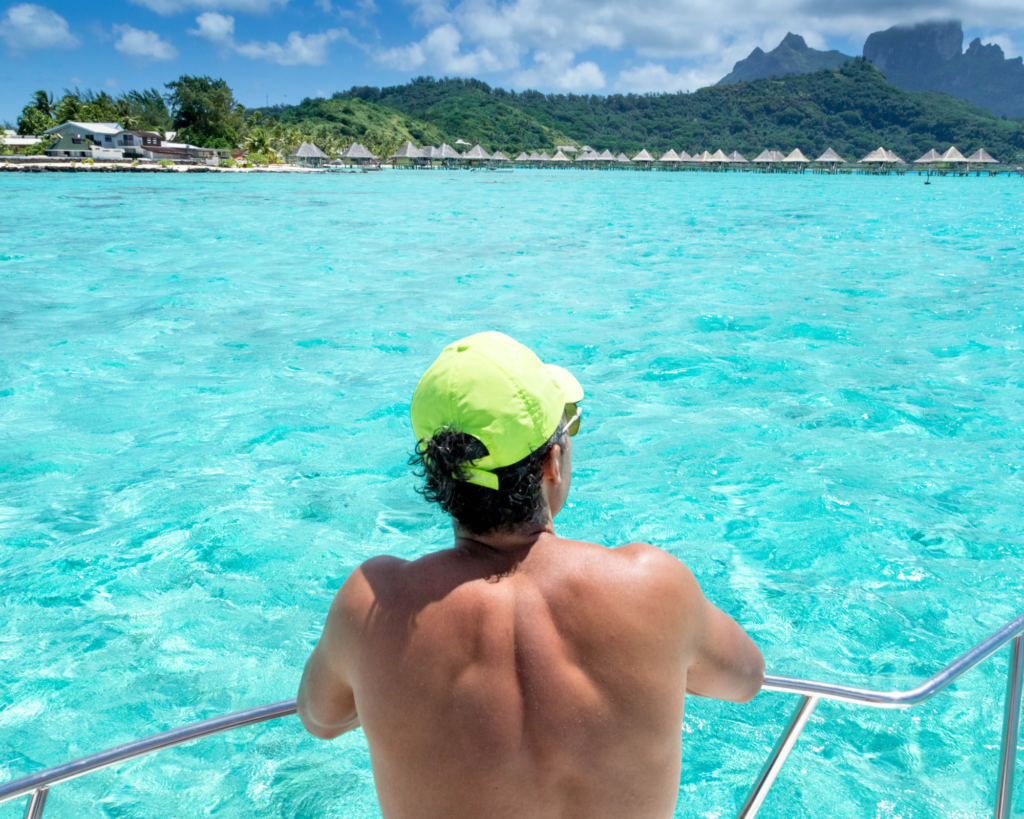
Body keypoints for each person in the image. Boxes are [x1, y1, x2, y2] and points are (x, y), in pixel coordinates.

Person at [297, 331, 765, 819]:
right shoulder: (653, 586)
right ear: (551, 462)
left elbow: (320, 717)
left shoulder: (374, 608)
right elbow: (747, 678)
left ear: (437, 477)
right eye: (570, 428)